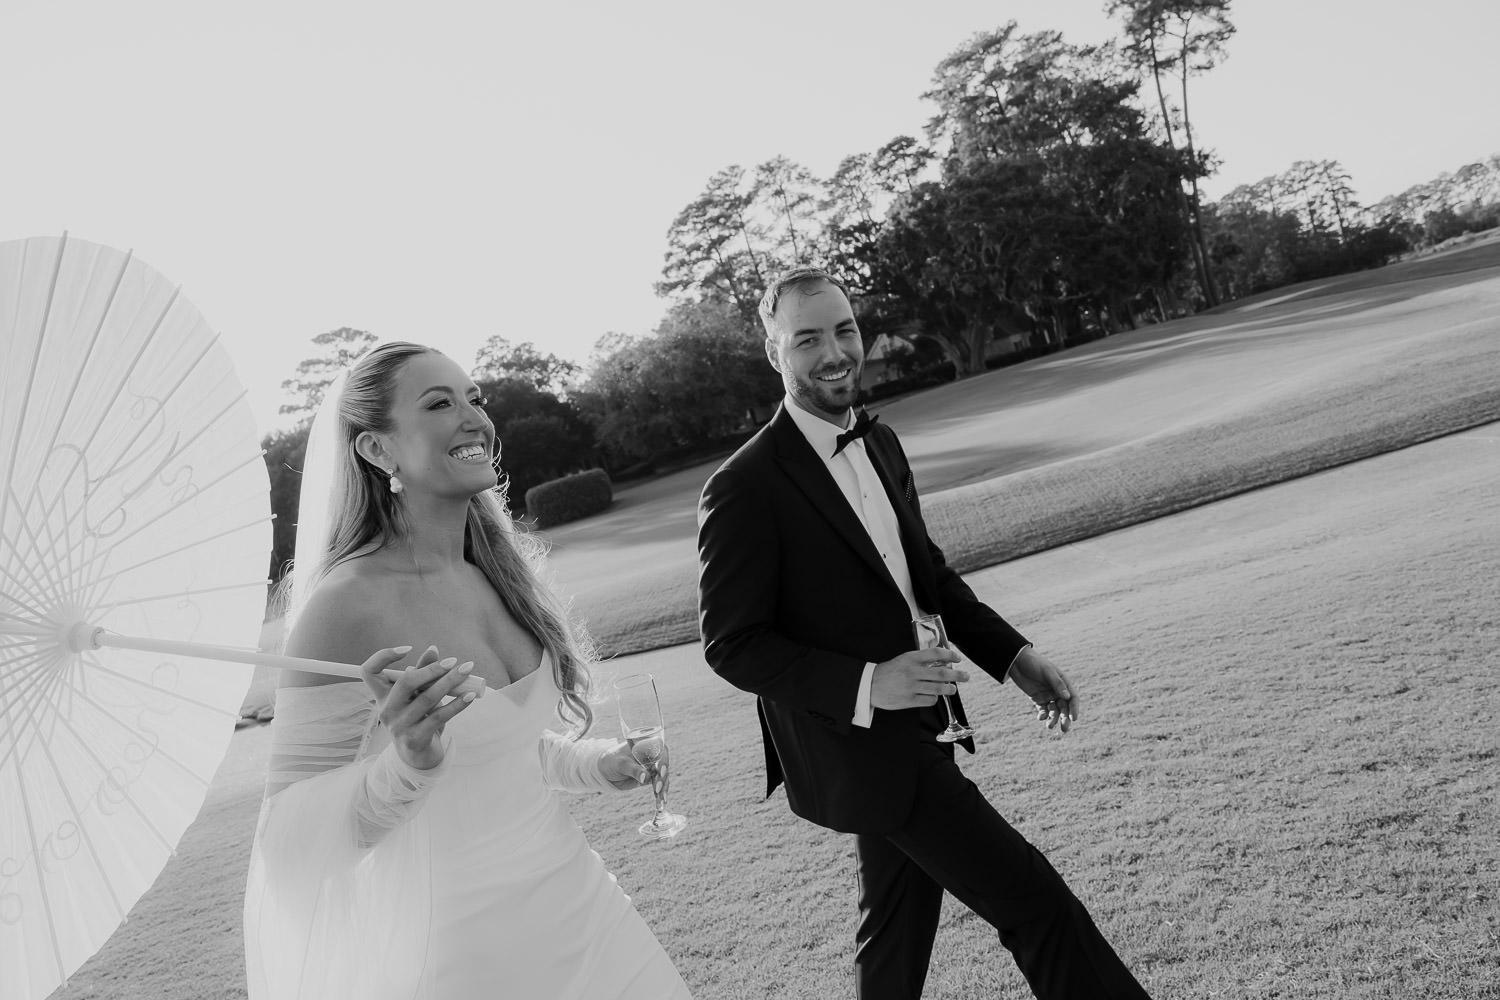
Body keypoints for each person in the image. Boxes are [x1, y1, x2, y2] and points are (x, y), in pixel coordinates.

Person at [696, 267, 1152, 999]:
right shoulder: (743, 486)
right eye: (807, 339)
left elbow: (926, 576)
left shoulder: (881, 444)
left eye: (845, 330)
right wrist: (870, 683)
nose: (834, 353)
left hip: (921, 727)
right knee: (1036, 905)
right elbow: (730, 643)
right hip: (862, 749)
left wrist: (1014, 657)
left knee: (893, 939)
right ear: (774, 351)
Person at [243, 341, 691, 999]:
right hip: (467, 956)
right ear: (378, 449)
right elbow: (288, 849)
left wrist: (602, 763)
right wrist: (408, 764)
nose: (474, 417)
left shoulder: (493, 572)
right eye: (438, 404)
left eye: (473, 398)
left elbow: (507, 748)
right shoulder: (345, 607)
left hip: (587, 912)